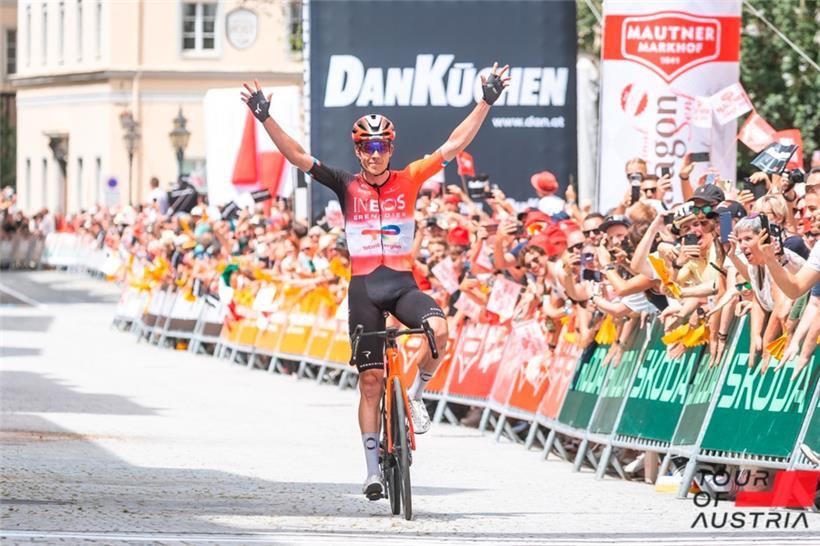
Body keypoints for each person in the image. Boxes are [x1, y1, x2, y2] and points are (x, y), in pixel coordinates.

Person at [241, 64, 510, 499]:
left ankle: (418, 395)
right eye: (366, 147)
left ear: (391, 148)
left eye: (381, 145)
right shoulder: (345, 185)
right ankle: (370, 470)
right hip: (364, 288)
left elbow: (455, 142)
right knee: (369, 381)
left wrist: (486, 100)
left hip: (402, 285)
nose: (374, 154)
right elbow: (297, 155)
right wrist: (264, 117)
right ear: (358, 150)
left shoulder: (410, 177)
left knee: (439, 330)